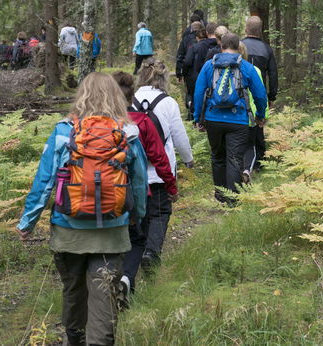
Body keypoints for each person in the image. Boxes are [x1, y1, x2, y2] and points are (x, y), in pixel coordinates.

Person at [16, 72, 149, 346]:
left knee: (74, 290)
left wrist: (27, 223)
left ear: (82, 96)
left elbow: (44, 181)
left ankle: (74, 338)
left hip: (68, 230)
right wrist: (138, 217)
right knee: (104, 294)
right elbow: (138, 182)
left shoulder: (64, 131)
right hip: (112, 231)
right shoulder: (128, 132)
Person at [111, 71, 180, 301]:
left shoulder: (92, 125)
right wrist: (171, 187)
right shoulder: (141, 123)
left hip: (98, 193)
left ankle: (109, 280)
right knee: (137, 235)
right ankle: (127, 279)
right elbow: (158, 159)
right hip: (132, 190)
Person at [131, 59, 194, 273]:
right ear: (163, 78)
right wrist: (188, 158)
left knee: (138, 212)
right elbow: (179, 136)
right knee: (159, 211)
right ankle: (151, 252)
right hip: (160, 170)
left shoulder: (129, 99)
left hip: (133, 170)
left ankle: (134, 252)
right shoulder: (168, 103)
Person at [193, 33, 267, 205]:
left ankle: (220, 195)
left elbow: (198, 93)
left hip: (213, 119)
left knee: (218, 156)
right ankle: (232, 200)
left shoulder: (208, 66)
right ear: (238, 47)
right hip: (238, 120)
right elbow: (260, 95)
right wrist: (260, 115)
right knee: (234, 158)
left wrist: (198, 117)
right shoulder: (246, 67)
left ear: (221, 47)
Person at [241, 16, 278, 171]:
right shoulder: (266, 48)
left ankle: (244, 159)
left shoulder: (240, 46)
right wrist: (272, 96)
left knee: (242, 124)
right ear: (260, 30)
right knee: (259, 124)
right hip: (259, 92)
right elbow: (273, 74)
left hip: (240, 92)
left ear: (246, 28)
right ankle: (259, 161)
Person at [238, 41, 269, 184]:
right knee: (251, 146)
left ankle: (235, 172)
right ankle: (246, 170)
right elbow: (261, 95)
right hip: (251, 115)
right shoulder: (253, 69)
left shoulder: (222, 70)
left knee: (236, 146)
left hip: (232, 115)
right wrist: (263, 115)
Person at [175, 13, 202, 81]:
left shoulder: (186, 38)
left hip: (189, 73)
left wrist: (179, 73)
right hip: (201, 72)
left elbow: (180, 56)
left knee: (190, 91)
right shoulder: (206, 39)